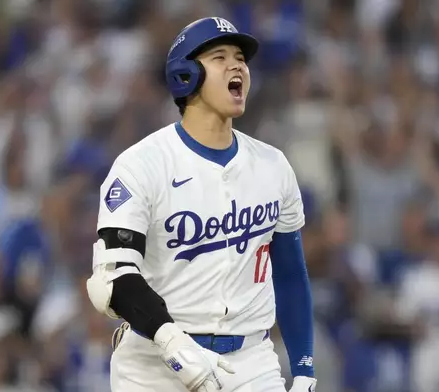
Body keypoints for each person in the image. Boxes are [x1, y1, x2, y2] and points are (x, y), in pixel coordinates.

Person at [86, 17, 317, 392]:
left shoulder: (273, 166)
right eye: (219, 56)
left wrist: (304, 365)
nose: (237, 65)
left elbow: (290, 273)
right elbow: (114, 279)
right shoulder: (141, 164)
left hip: (250, 362)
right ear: (185, 75)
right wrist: (172, 341)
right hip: (153, 361)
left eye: (240, 58)